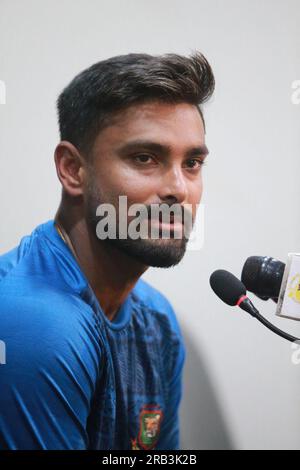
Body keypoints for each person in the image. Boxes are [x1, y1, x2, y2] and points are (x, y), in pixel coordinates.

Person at [0, 52, 215, 450]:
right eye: (145, 158)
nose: (178, 189)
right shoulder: (36, 325)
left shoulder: (158, 321)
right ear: (72, 169)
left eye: (192, 162)